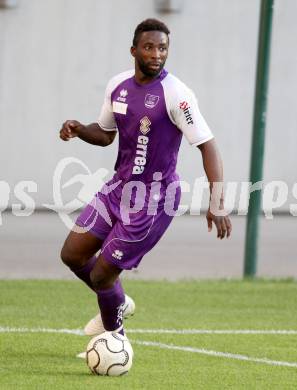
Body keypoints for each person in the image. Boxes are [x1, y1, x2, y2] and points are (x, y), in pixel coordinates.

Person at [59, 18, 232, 337]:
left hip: (154, 199)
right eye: (150, 47)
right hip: (118, 188)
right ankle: (117, 302)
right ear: (134, 50)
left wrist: (217, 201)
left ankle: (115, 342)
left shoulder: (177, 94)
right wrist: (80, 129)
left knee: (101, 277)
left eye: (163, 48)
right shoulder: (118, 86)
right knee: (72, 254)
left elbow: (209, 146)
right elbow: (106, 133)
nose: (156, 54)